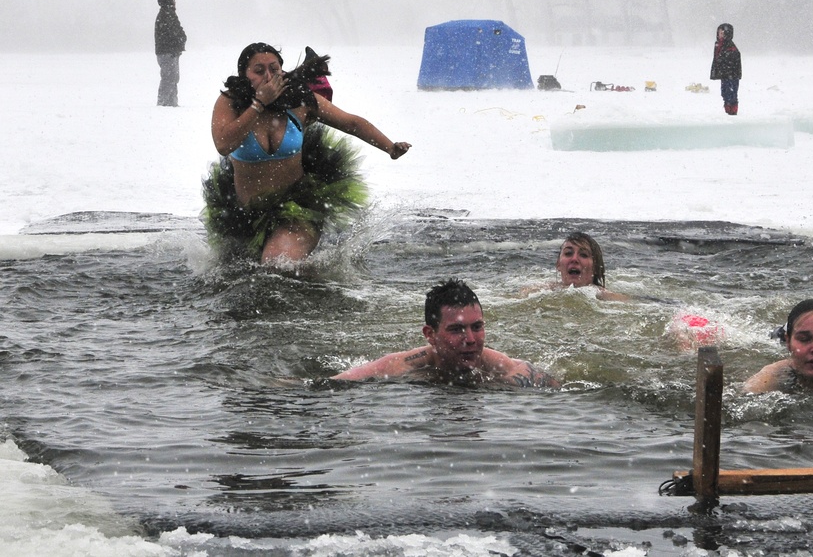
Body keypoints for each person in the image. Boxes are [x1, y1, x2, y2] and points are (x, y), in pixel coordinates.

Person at [202, 42, 410, 263]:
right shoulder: (230, 102)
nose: (269, 76)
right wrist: (258, 104)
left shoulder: (299, 100)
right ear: (245, 74)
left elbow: (351, 123)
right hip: (244, 214)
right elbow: (223, 144)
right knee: (238, 276)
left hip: (297, 209)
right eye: (259, 71)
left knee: (276, 263)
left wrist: (390, 147)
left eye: (274, 69)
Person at [332, 280, 560, 388]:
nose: (470, 339)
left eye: (477, 327)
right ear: (430, 335)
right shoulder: (400, 366)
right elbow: (331, 384)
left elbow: (554, 385)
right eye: (457, 329)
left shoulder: (502, 368)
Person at [522, 232, 630, 301]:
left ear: (596, 267)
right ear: (558, 264)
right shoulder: (539, 291)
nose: (574, 259)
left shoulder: (608, 297)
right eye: (568, 253)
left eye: (583, 255)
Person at [154, 0, 187, 106]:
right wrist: (179, 40)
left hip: (170, 52)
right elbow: (173, 33)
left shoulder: (169, 14)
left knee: (172, 78)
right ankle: (164, 103)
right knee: (169, 78)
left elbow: (176, 31)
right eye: (173, 0)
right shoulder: (166, 15)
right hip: (167, 52)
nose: (174, 2)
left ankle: (171, 103)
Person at [709, 22, 741, 116]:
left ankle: (732, 111)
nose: (720, 35)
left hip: (731, 75)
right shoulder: (719, 45)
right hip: (725, 74)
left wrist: (725, 64)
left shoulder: (730, 47)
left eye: (722, 33)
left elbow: (733, 60)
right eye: (719, 33)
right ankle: (728, 110)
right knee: (724, 92)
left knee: (731, 93)